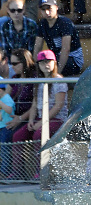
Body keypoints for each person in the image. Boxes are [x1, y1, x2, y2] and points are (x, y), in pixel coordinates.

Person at [12, 50, 68, 179]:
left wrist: (42, 122)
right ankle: (17, 172)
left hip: (56, 119)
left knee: (39, 135)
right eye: (42, 62)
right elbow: (34, 104)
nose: (45, 64)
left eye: (48, 61)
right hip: (40, 119)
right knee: (17, 136)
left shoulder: (58, 80)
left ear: (54, 62)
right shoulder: (40, 80)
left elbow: (58, 106)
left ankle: (41, 172)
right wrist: (31, 120)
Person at [34, 0, 84, 78]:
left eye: (49, 8)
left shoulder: (65, 23)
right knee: (42, 60)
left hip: (73, 60)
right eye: (43, 9)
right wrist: (35, 69)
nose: (47, 12)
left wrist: (57, 73)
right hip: (55, 59)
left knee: (48, 62)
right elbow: (37, 48)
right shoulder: (42, 24)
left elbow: (66, 49)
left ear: (56, 7)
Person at [4, 50, 37, 142]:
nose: (12, 67)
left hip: (28, 118)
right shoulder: (15, 78)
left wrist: (20, 118)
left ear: (25, 62)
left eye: (15, 63)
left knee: (7, 136)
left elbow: (36, 105)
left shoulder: (35, 79)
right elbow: (5, 97)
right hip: (13, 117)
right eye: (11, 63)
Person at [0, 81, 14, 176]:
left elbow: (9, 110)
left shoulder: (6, 98)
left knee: (5, 150)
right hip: (2, 127)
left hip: (6, 128)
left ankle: (5, 172)